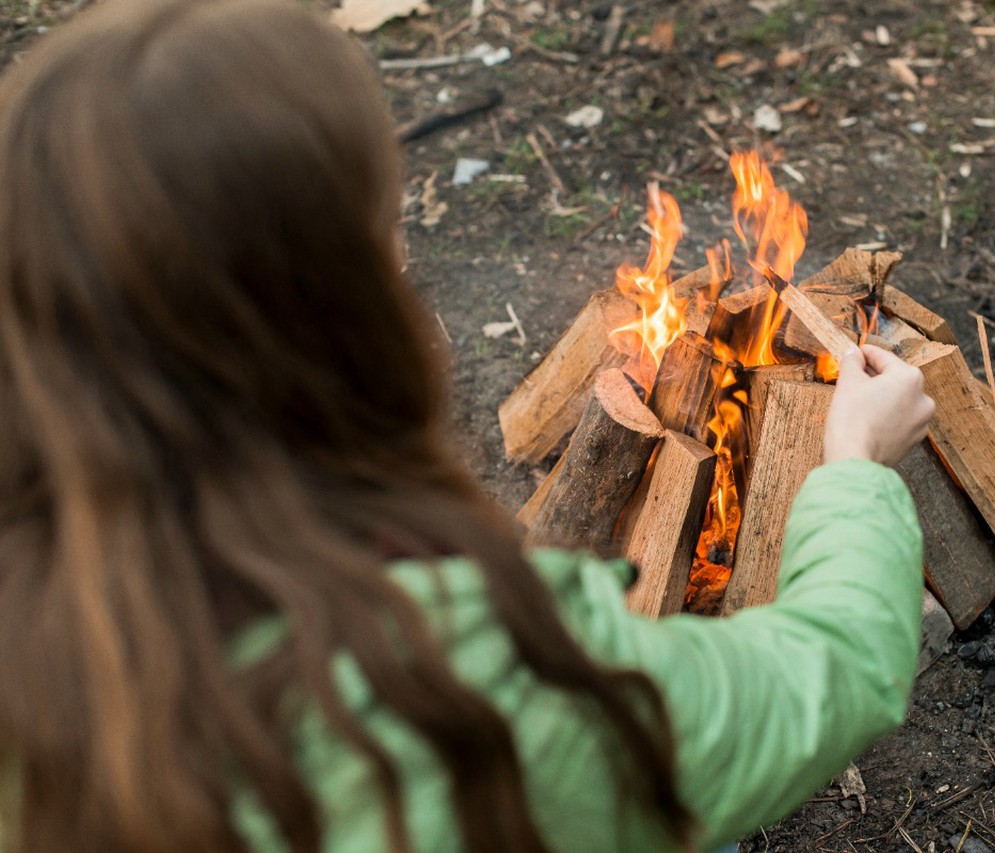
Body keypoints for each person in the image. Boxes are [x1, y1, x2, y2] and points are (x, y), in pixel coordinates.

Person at [0, 0, 935, 850]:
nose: (402, 255)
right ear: (329, 306)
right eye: (378, 230)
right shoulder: (457, 685)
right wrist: (852, 464)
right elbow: (831, 672)